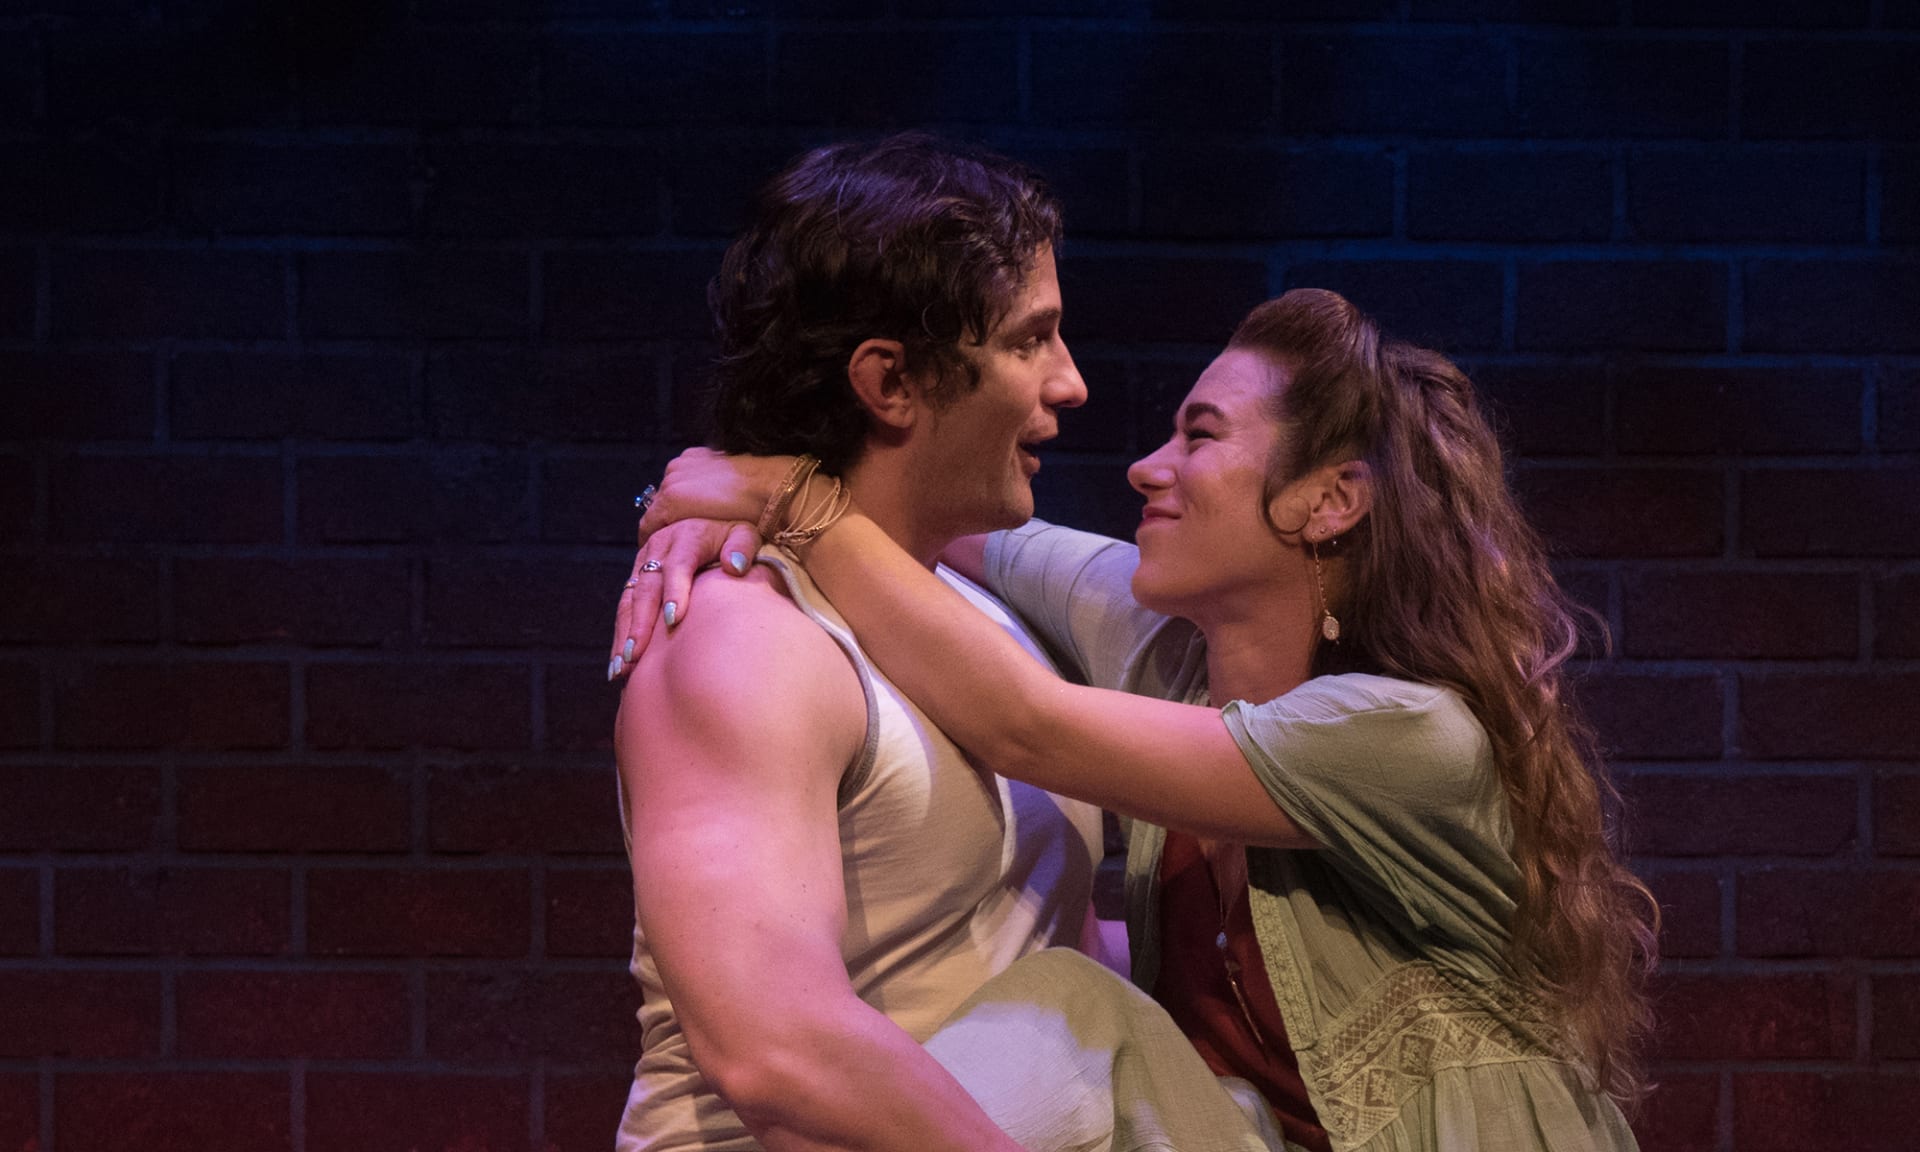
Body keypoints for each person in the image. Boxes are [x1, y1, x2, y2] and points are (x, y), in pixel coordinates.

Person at [617, 288, 1659, 1151]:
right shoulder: (1164, 643)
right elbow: (935, 518)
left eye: (1199, 437)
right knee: (1081, 1010)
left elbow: (1026, 724)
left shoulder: (1414, 735)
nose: (1146, 467)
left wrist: (791, 501)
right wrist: (731, 505)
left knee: (1078, 1009)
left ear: (1330, 500)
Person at [610, 133, 1274, 1152]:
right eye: (1030, 340)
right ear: (891, 382)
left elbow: (1019, 958)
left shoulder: (973, 617)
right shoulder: (747, 641)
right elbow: (773, 1049)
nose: (1070, 382)